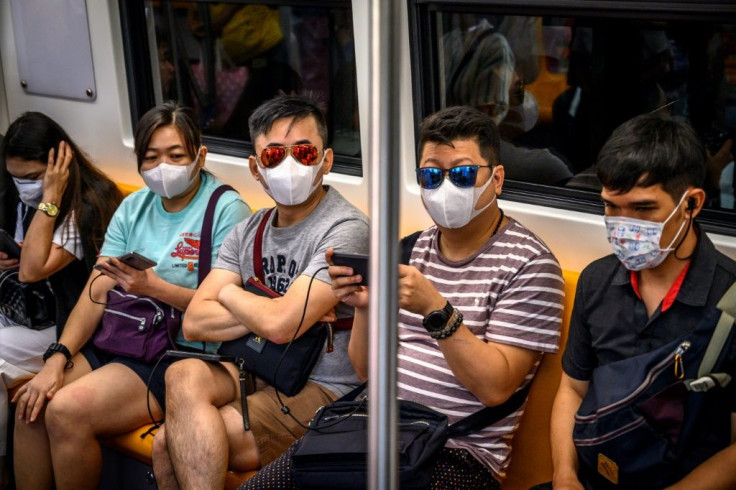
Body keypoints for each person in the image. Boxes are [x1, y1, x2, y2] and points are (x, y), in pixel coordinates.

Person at [241, 105, 565, 489]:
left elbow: (495, 388)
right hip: (370, 427)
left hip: (456, 450)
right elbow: (365, 371)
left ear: (496, 179)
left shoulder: (530, 265)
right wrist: (364, 308)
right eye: (431, 176)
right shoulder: (409, 250)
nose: (445, 188)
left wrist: (436, 310)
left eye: (461, 174)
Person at [11, 102, 251, 490]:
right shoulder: (134, 206)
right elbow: (97, 290)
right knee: (31, 405)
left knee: (65, 411)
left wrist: (153, 287)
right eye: (151, 157)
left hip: (175, 353)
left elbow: (227, 310)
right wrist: (58, 357)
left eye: (176, 155)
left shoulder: (225, 210)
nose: (163, 166)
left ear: (200, 155)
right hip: (121, 336)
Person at [150, 94, 369, 489]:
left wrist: (234, 296)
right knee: (182, 373)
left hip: (322, 387)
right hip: (258, 366)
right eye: (273, 157)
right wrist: (271, 307)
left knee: (169, 442)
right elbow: (196, 320)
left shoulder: (346, 229)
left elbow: (282, 326)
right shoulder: (247, 231)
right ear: (256, 168)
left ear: (326, 160)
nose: (289, 166)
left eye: (303, 153)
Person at [550, 113, 736, 489]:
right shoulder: (597, 280)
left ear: (692, 204)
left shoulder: (729, 299)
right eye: (611, 207)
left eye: (643, 209)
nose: (623, 224)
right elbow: (573, 388)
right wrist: (564, 475)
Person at [0, 112, 122, 486]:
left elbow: (34, 269)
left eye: (33, 177)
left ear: (59, 162)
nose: (24, 187)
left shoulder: (86, 203)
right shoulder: (17, 198)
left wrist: (49, 195)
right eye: (16, 177)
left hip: (70, 323)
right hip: (30, 311)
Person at [444, 20, 573, 185]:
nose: (519, 78)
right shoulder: (546, 167)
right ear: (490, 108)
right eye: (518, 90)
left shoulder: (440, 151)